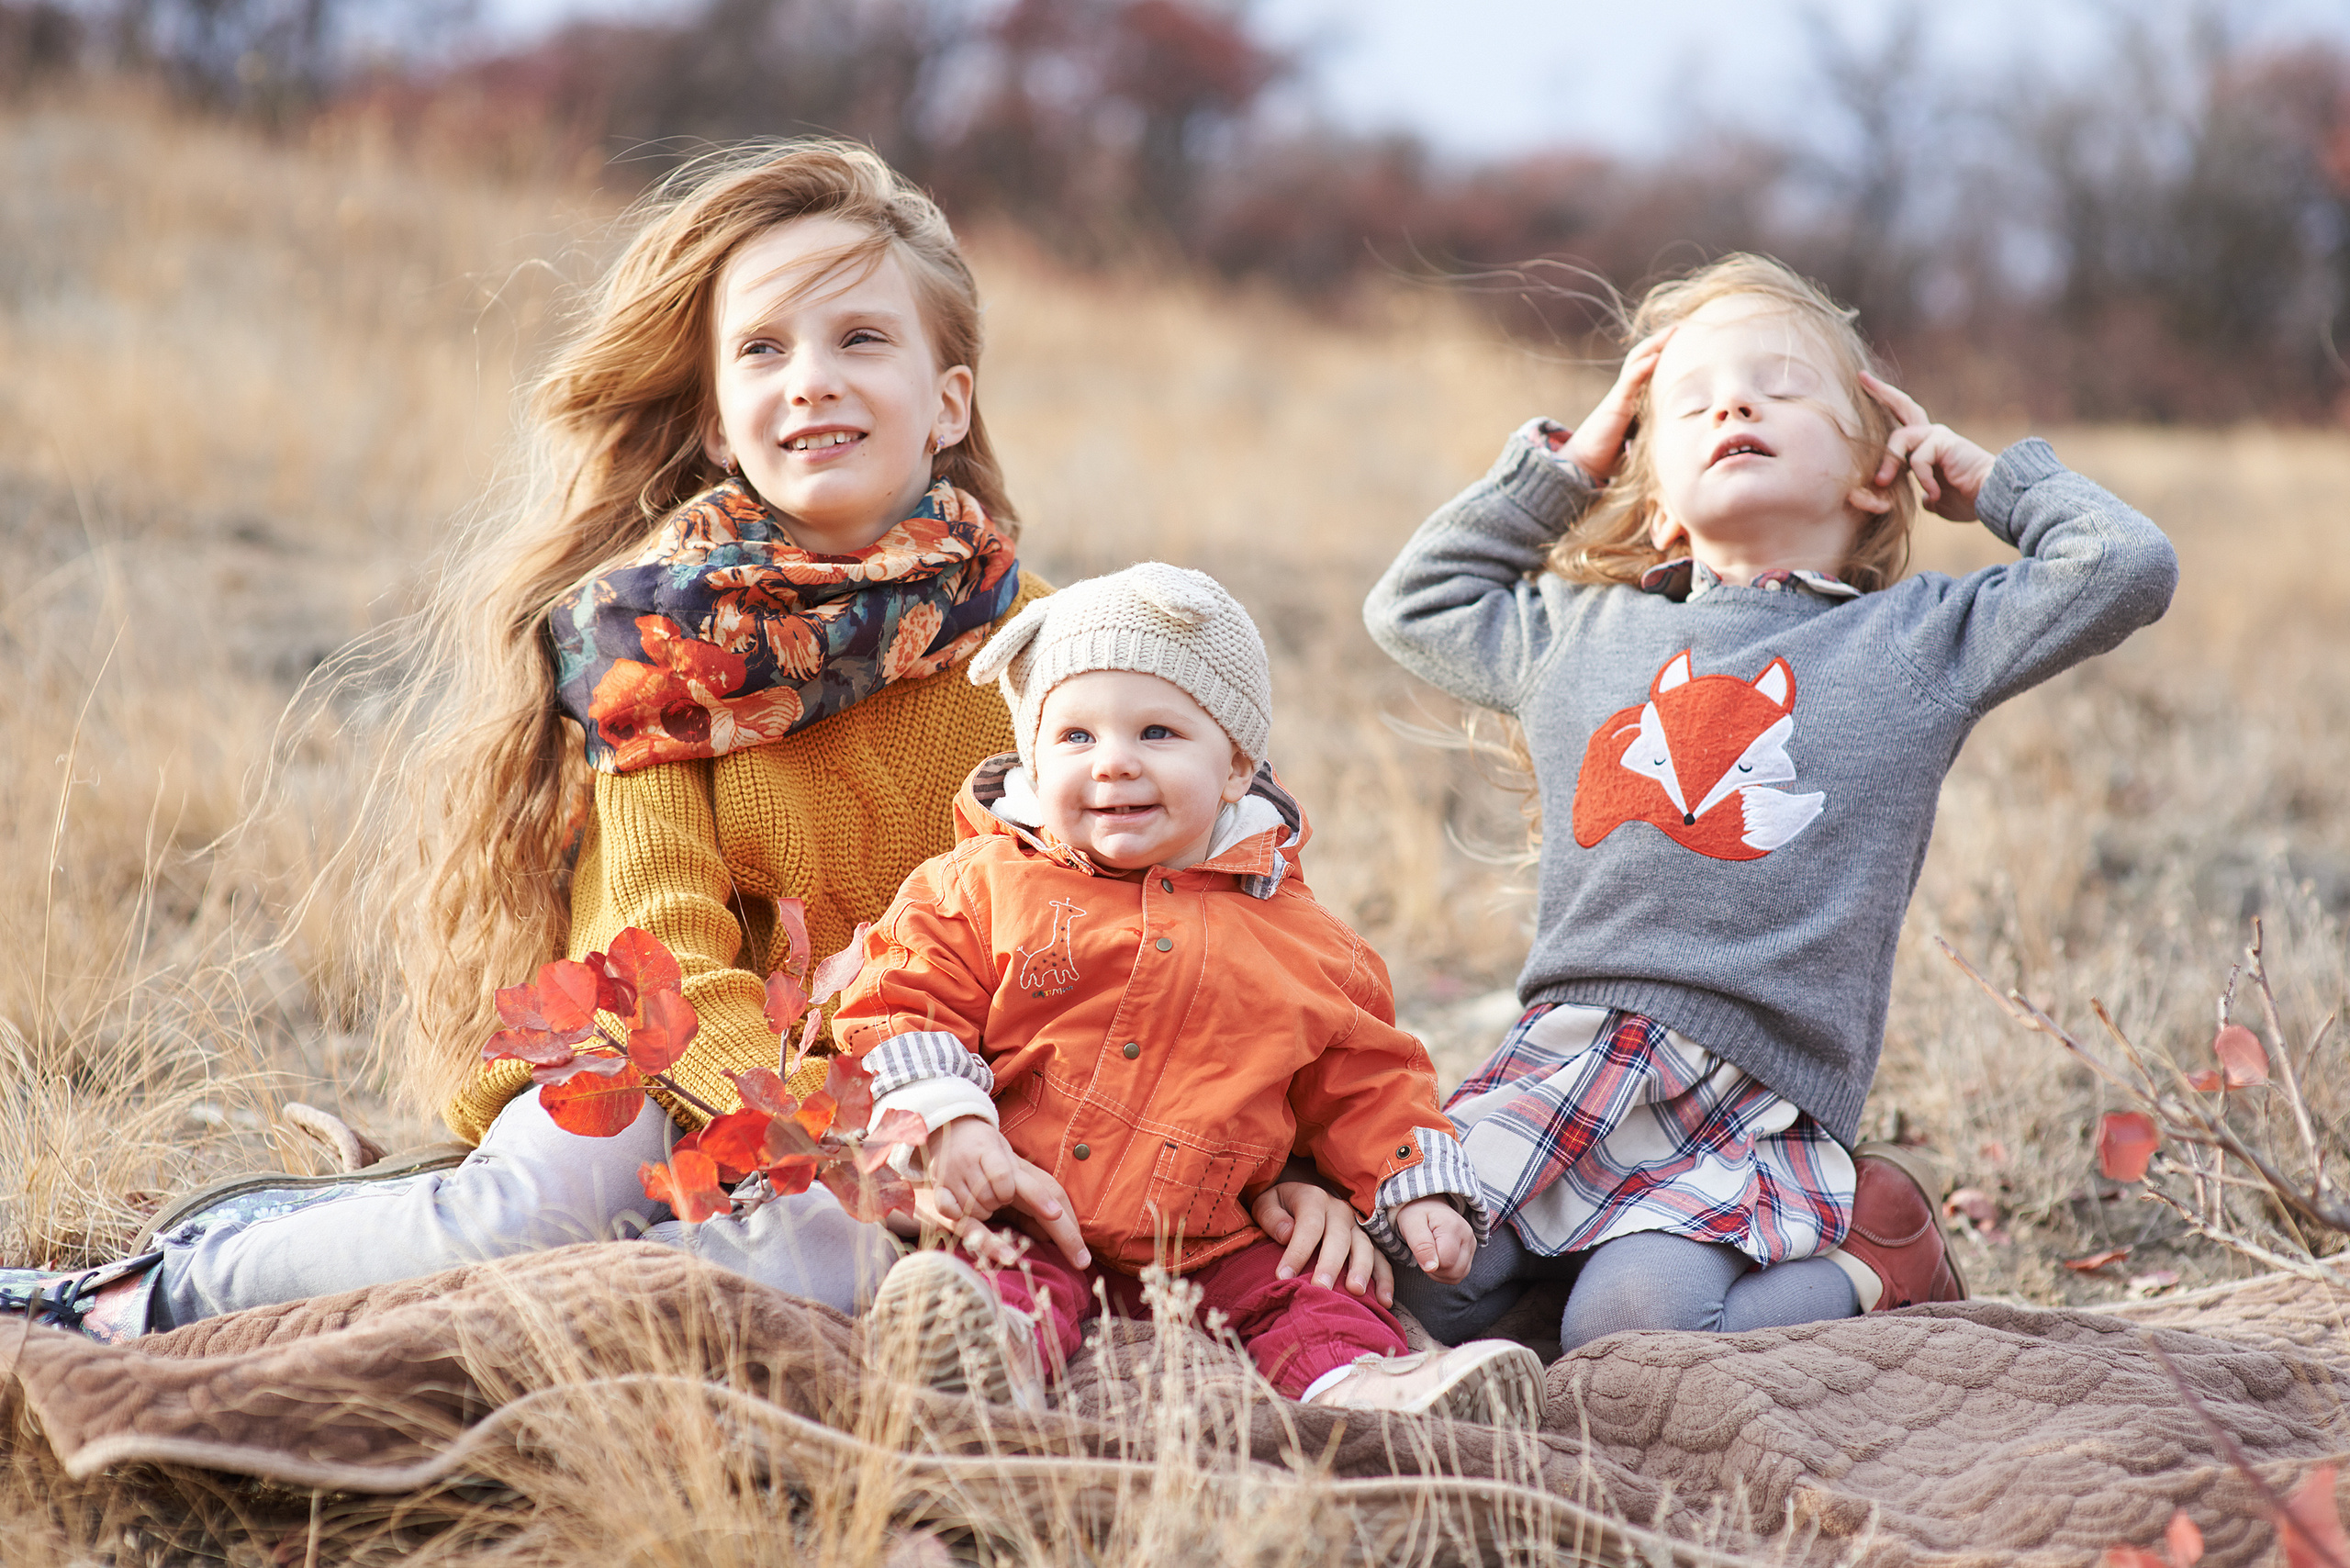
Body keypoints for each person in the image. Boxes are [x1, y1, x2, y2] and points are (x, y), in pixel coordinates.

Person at [4, 140, 1060, 1341]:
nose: (811, 378)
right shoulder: (655, 643)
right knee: (551, 1208)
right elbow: (654, 948)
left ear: (948, 401)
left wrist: (941, 1123)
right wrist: (828, 1133)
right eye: (764, 349)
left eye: (862, 340)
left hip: (917, 1092)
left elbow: (1141, 875)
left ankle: (656, 1275)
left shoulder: (1042, 645)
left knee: (881, 1278)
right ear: (717, 422)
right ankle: (156, 1289)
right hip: (665, 1048)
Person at [1361, 253, 2177, 1353]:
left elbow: (2124, 564)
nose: (1734, 404)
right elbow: (1412, 603)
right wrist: (1569, 461)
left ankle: (1873, 1262)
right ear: (1653, 501)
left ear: (1871, 473)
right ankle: (1563, 1282)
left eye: (1783, 390)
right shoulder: (1576, 635)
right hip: (1564, 1059)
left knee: (1635, 1330)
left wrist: (1990, 484)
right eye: (1688, 403)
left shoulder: (1915, 641)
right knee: (1405, 1267)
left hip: (1751, 1095)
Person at [833, 564, 1548, 1424]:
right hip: (1025, 1197)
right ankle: (981, 1350)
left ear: (1238, 763)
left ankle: (1367, 1387)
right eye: (1075, 738)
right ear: (1030, 754)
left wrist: (1414, 1187)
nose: (1114, 764)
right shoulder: (978, 887)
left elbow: (1369, 1079)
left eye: (1158, 732)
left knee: (1309, 1288)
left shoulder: (1302, 939)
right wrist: (947, 1122)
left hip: (1210, 1232)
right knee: (988, 1271)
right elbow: (902, 1001)